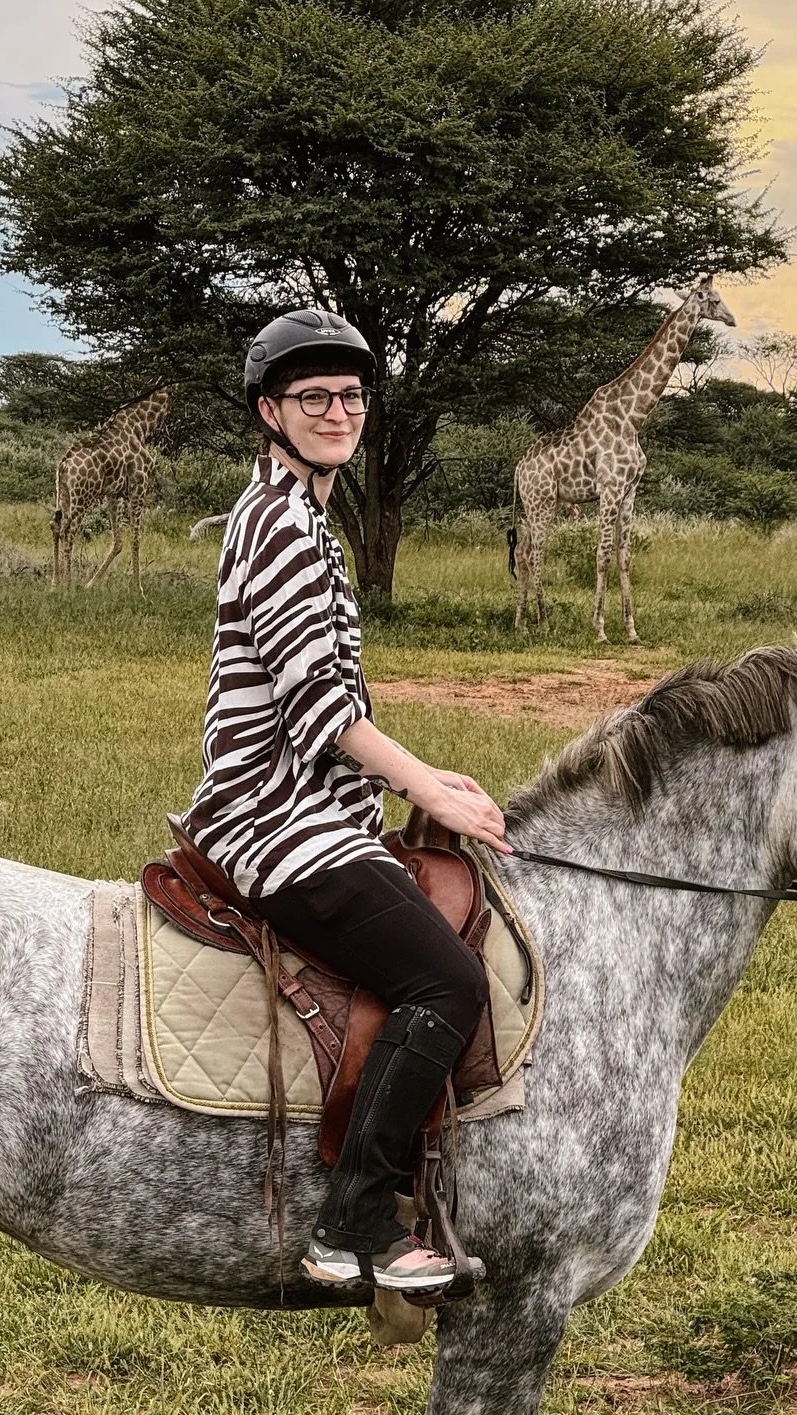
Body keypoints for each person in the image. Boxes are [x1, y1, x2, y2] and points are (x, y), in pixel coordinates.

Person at [174, 309, 510, 1294]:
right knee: (446, 981)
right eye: (313, 397)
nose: (338, 412)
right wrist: (421, 780)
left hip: (312, 810)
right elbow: (319, 706)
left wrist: (414, 779)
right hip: (268, 819)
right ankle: (354, 1225)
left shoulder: (303, 517)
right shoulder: (279, 519)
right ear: (269, 412)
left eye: (352, 396)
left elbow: (333, 696)